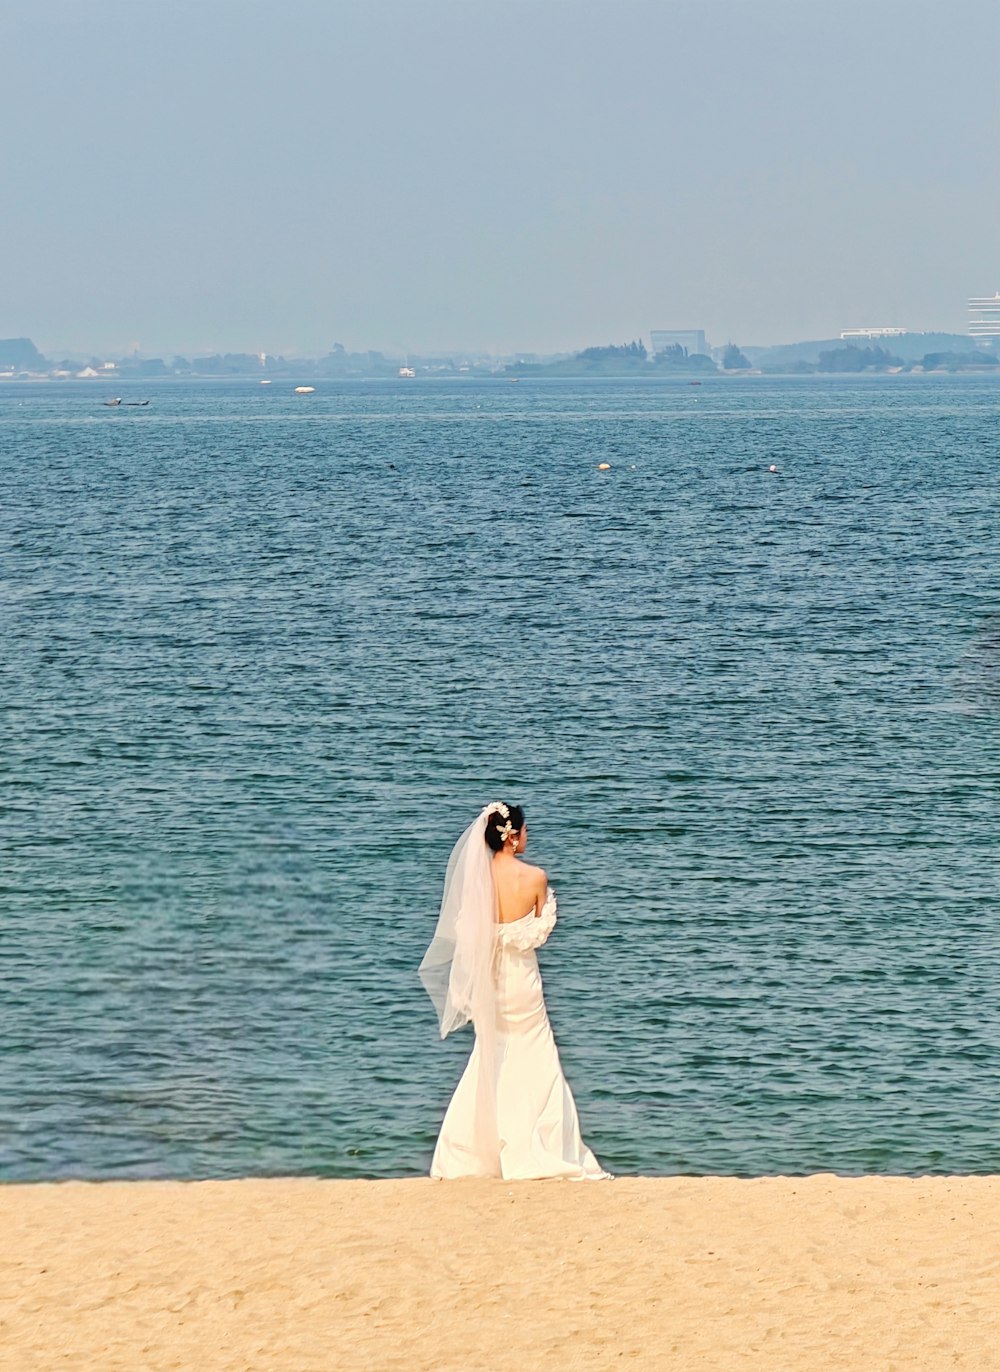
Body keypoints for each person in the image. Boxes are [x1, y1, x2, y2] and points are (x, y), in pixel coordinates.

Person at [420, 801, 610, 1180]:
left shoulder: (477, 879)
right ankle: (541, 1146)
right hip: (522, 980)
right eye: (525, 830)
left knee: (490, 1054)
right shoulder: (535, 878)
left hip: (490, 981)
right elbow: (537, 933)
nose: (528, 836)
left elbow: (468, 933)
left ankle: (474, 1153)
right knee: (535, 1053)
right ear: (512, 837)